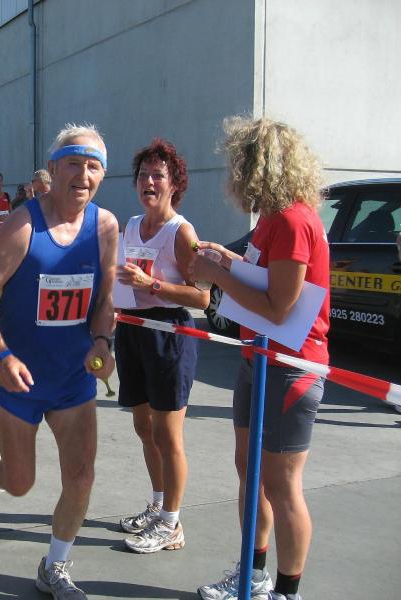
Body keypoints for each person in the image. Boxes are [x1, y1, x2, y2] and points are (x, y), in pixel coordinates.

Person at [0, 123, 118, 599]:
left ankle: (54, 566)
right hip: (18, 377)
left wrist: (102, 342)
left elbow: (105, 300)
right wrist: (3, 355)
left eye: (93, 167)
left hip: (73, 377)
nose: (83, 175)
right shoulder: (23, 225)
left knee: (82, 477)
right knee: (21, 482)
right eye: (73, 163)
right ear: (53, 169)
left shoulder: (105, 227)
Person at [192, 117, 330, 600]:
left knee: (280, 483)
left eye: (241, 162)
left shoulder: (292, 220)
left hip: (291, 368)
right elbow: (263, 278)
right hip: (260, 359)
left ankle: (287, 592)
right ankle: (253, 573)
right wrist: (225, 260)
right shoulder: (273, 218)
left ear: (259, 165)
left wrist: (216, 275)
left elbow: (279, 306)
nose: (235, 173)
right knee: (251, 474)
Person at [114, 139, 210, 555]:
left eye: (158, 176)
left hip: (169, 333)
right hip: (131, 330)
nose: (149, 183)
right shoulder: (131, 225)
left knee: (168, 436)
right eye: (143, 175)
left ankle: (172, 523)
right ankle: (158, 506)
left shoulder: (181, 232)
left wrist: (151, 284)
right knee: (144, 427)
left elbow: (202, 296)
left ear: (174, 185)